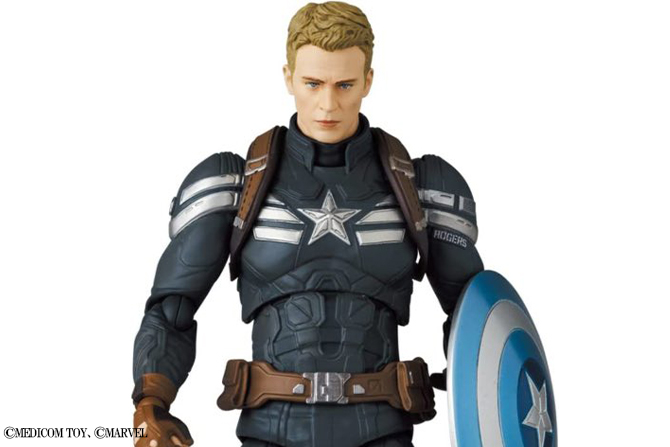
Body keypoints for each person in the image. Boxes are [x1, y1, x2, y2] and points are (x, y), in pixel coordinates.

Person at [131, 2, 483, 446]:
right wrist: (151, 402)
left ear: (368, 81)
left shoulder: (420, 185)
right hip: (270, 430)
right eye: (313, 83)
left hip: (383, 430)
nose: (328, 104)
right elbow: (172, 309)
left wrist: (484, 397)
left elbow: (477, 318)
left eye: (345, 84)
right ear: (288, 77)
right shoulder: (234, 183)